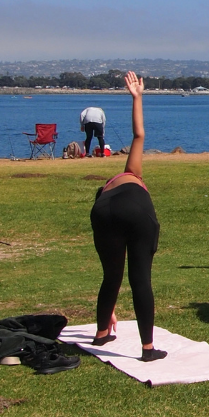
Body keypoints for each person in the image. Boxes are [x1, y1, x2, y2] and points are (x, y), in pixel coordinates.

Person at [88, 73, 166, 359]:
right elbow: (139, 134)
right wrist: (137, 97)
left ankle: (101, 333)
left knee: (111, 276)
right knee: (140, 280)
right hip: (136, 210)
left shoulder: (104, 196)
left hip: (102, 214)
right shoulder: (130, 174)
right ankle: (147, 348)